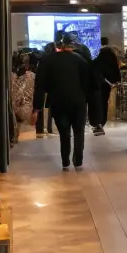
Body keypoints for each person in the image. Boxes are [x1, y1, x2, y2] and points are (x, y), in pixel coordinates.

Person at [32, 36, 90, 170]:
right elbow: (88, 84)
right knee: (79, 131)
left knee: (64, 132)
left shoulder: (47, 61)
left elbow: (40, 86)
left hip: (58, 101)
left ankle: (65, 161)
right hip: (78, 101)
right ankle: (79, 160)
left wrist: (37, 108)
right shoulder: (80, 60)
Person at [93, 37, 121, 134]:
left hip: (97, 86)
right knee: (104, 103)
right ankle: (102, 122)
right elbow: (117, 71)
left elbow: (94, 72)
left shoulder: (97, 60)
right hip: (107, 86)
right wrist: (116, 81)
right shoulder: (112, 59)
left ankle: (98, 123)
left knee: (97, 104)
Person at [10, 54, 35, 141]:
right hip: (22, 101)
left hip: (18, 100)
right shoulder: (30, 74)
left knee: (16, 118)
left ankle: (15, 134)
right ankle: (15, 134)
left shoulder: (15, 74)